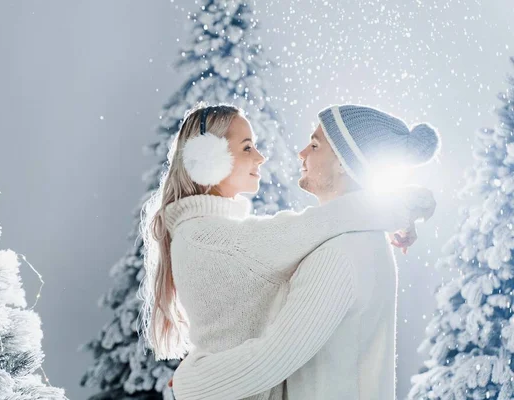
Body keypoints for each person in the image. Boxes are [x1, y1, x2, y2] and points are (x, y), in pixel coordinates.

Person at [139, 103, 435, 400]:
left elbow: (274, 356)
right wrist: (401, 207)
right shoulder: (206, 238)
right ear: (207, 158)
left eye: (315, 144)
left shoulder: (339, 251)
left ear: (344, 162)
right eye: (246, 148)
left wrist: (191, 380)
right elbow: (308, 226)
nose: (260, 156)